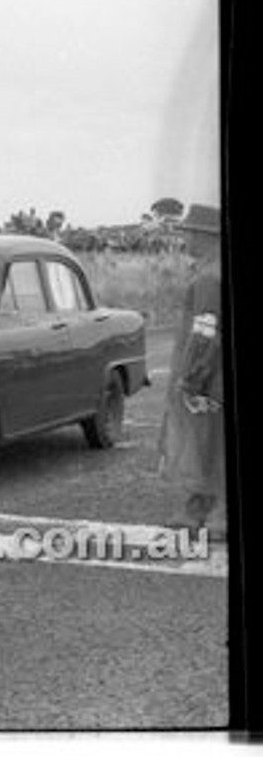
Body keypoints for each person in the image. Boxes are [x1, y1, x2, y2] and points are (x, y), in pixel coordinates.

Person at [158, 203, 226, 540]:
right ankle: (197, 506)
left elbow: (206, 332)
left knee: (209, 441)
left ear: (206, 235)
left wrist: (193, 378)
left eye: (189, 232)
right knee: (204, 441)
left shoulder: (210, 278)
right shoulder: (210, 271)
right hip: (210, 374)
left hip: (208, 377)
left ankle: (221, 514)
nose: (185, 237)